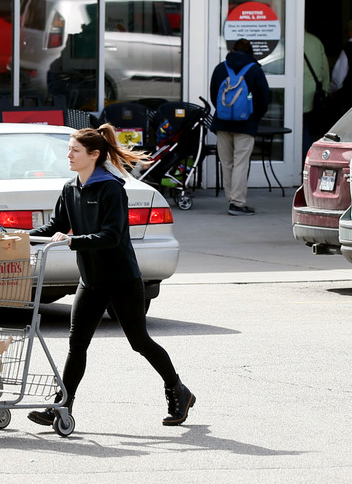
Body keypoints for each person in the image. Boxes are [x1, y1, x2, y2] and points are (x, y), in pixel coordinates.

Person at [27, 125, 195, 428]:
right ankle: (62, 407)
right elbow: (57, 225)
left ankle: (178, 390)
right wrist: (17, 237)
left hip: (121, 280)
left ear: (94, 155)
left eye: (74, 150)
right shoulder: (70, 188)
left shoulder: (111, 188)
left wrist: (73, 241)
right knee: (76, 345)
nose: (68, 155)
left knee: (140, 342)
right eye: (69, 149)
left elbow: (112, 236)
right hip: (90, 281)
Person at [208, 38, 271, 217]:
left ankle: (231, 200)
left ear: (233, 50)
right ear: (250, 52)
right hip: (246, 124)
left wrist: (224, 113)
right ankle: (237, 203)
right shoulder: (255, 70)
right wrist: (254, 117)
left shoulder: (221, 68)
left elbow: (214, 95)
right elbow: (263, 99)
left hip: (222, 122)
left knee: (226, 163)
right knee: (240, 163)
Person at [302, 30, 331, 157]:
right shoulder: (315, 41)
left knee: (301, 130)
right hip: (311, 92)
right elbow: (325, 68)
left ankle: (306, 160)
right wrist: (325, 89)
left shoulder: (287, 40)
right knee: (305, 126)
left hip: (291, 93)